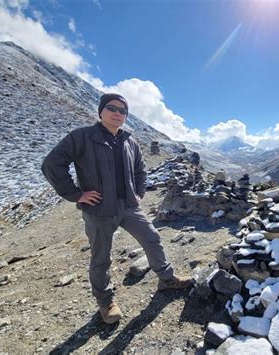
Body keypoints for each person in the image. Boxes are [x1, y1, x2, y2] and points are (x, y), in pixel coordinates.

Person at [42, 93, 192, 324]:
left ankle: (167, 279)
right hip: (98, 209)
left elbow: (140, 171)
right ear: (101, 111)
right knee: (101, 258)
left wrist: (138, 193)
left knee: (152, 238)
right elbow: (52, 164)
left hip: (129, 206)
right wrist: (76, 194)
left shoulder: (129, 141)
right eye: (112, 108)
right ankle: (105, 301)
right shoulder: (81, 137)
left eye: (123, 111)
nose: (118, 113)